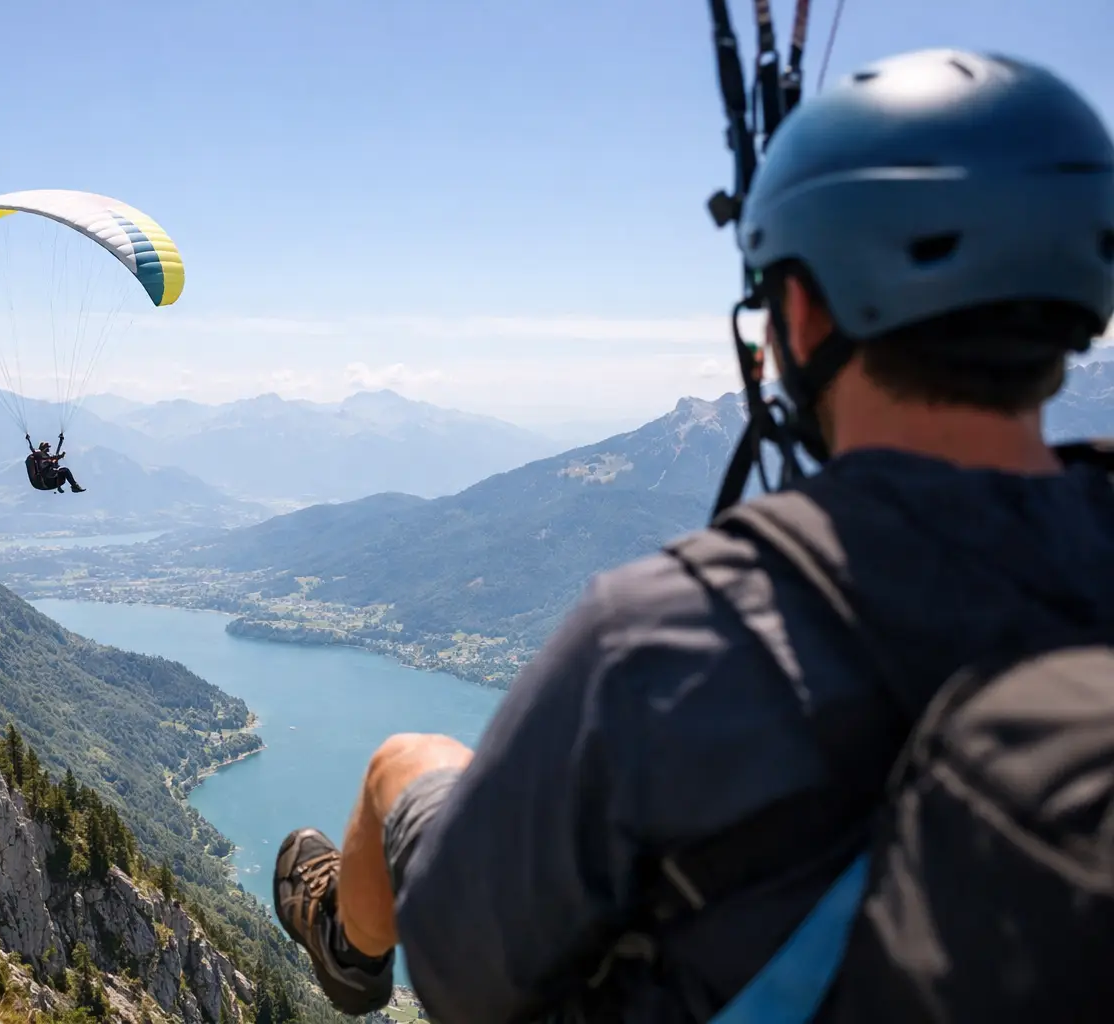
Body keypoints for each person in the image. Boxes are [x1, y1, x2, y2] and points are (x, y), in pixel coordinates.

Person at [272, 48, 1114, 1023]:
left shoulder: (666, 638)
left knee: (403, 760)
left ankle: (345, 942)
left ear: (799, 313)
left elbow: (464, 968)